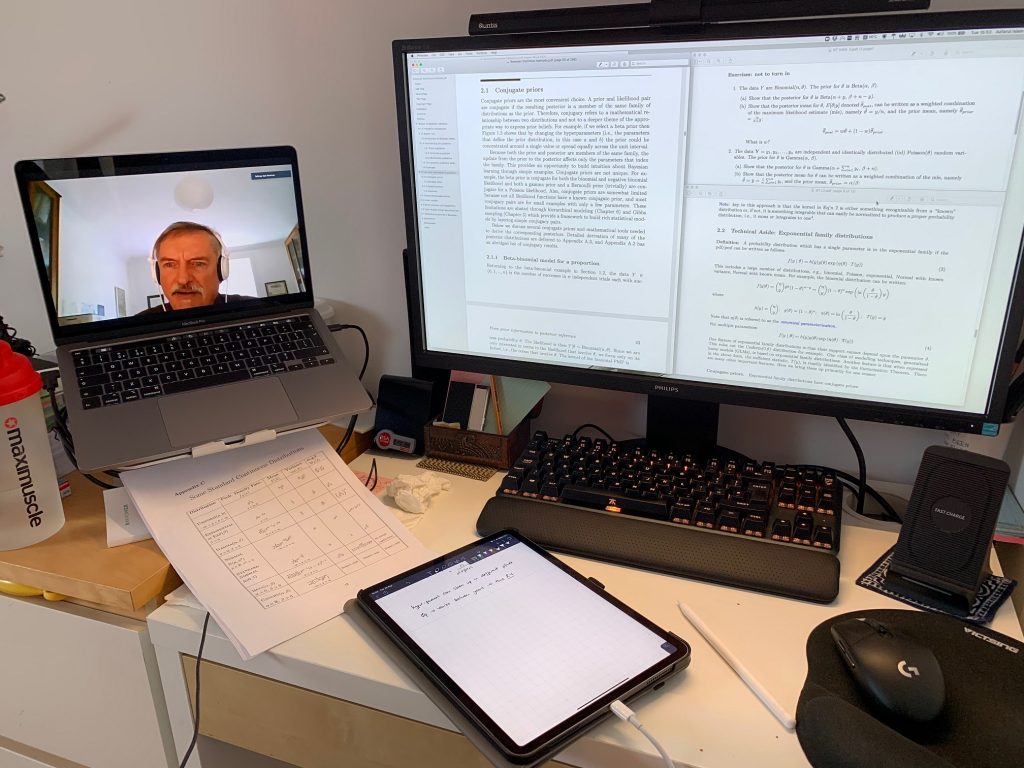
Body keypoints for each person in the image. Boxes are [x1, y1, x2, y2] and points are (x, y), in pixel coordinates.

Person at [136, 221, 252, 314]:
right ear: (157, 273)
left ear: (221, 270)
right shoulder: (138, 326)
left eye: (198, 264)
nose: (183, 280)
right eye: (169, 264)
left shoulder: (253, 310)